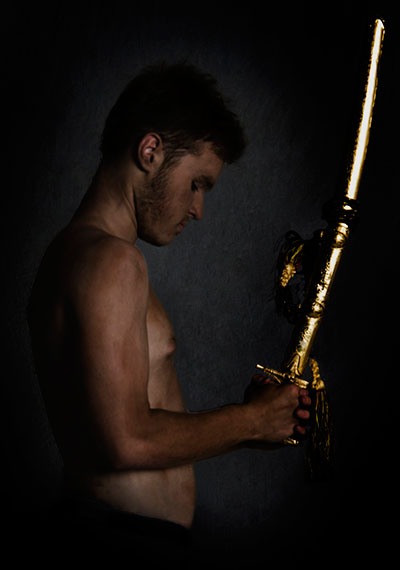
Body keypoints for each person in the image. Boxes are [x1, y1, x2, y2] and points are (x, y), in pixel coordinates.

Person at [27, 62, 310, 564]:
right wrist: (248, 421)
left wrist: (252, 427)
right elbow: (126, 440)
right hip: (118, 544)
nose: (198, 210)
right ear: (150, 151)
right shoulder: (113, 261)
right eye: (197, 183)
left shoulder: (75, 254)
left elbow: (122, 431)